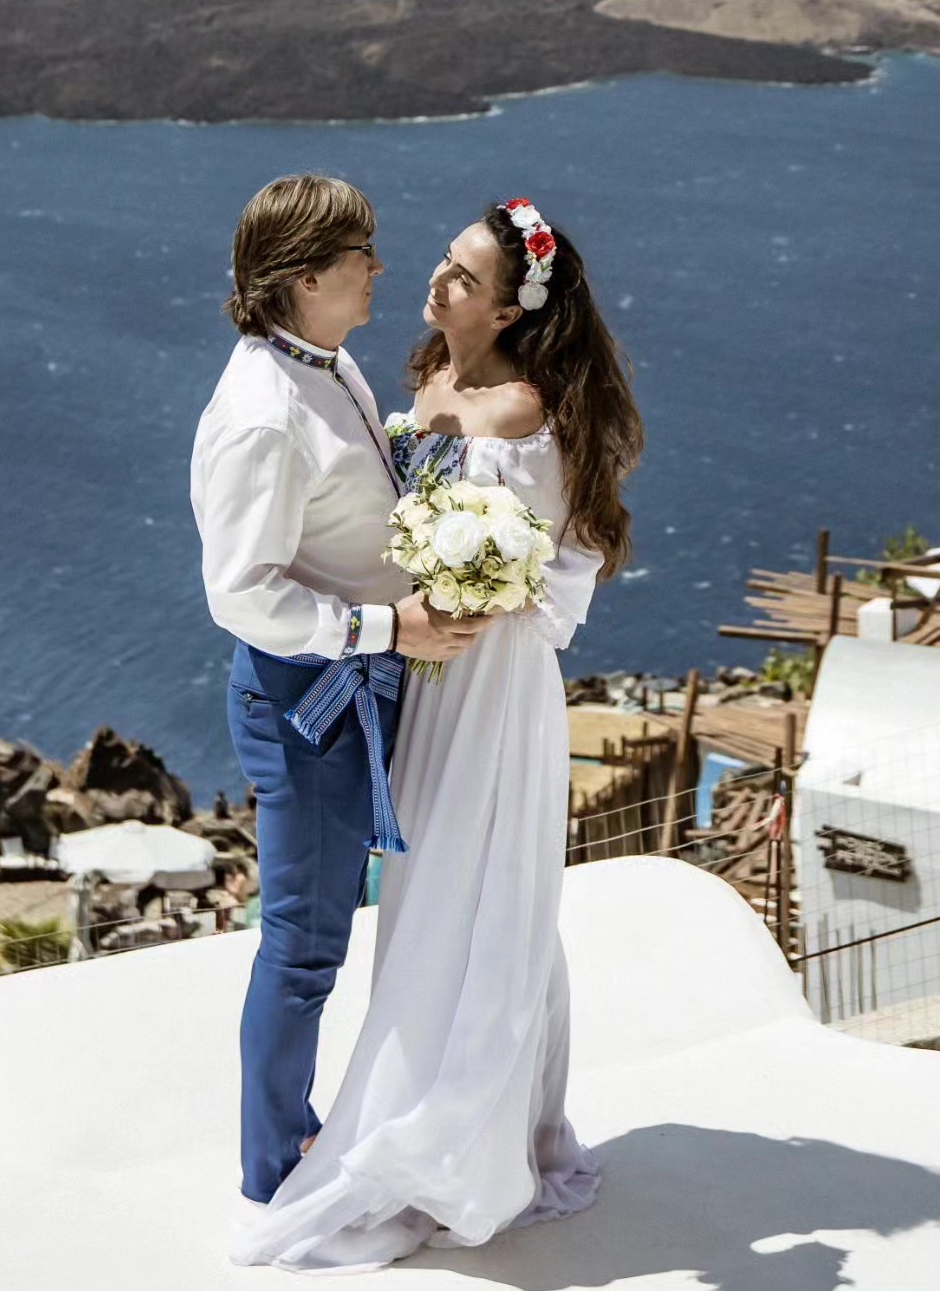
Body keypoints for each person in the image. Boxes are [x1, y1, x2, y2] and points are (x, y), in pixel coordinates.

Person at [233, 197, 644, 1272]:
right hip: (419, 677)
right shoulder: (412, 379)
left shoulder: (522, 412)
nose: (436, 281)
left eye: (464, 276)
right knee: (425, 899)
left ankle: (463, 1137)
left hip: (486, 679)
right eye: (445, 266)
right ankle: (411, 1100)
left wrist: (494, 590)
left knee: (478, 887)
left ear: (510, 308)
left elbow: (570, 544)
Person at [190, 174, 484, 1209]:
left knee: (335, 930)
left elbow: (347, 504)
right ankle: (275, 1170)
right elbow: (240, 595)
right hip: (308, 705)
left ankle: (311, 1133)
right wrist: (387, 626)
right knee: (306, 946)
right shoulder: (263, 414)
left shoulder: (324, 365)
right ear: (304, 277)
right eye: (361, 255)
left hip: (359, 686)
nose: (380, 270)